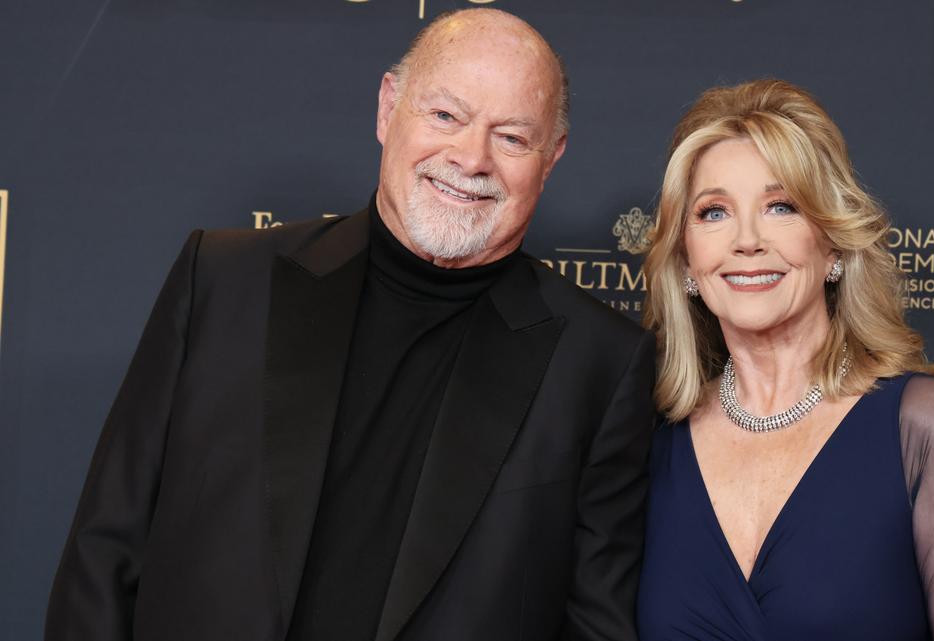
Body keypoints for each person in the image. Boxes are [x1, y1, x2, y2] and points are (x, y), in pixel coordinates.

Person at [45, 9, 655, 641]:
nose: (471, 158)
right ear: (389, 107)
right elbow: (105, 550)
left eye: (512, 137)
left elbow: (595, 624)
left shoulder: (601, 363)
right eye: (445, 116)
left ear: (550, 157)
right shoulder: (224, 280)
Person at [636, 79, 934, 640]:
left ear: (831, 241)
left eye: (780, 206)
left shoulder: (918, 426)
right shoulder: (648, 433)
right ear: (687, 258)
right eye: (714, 213)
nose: (746, 241)